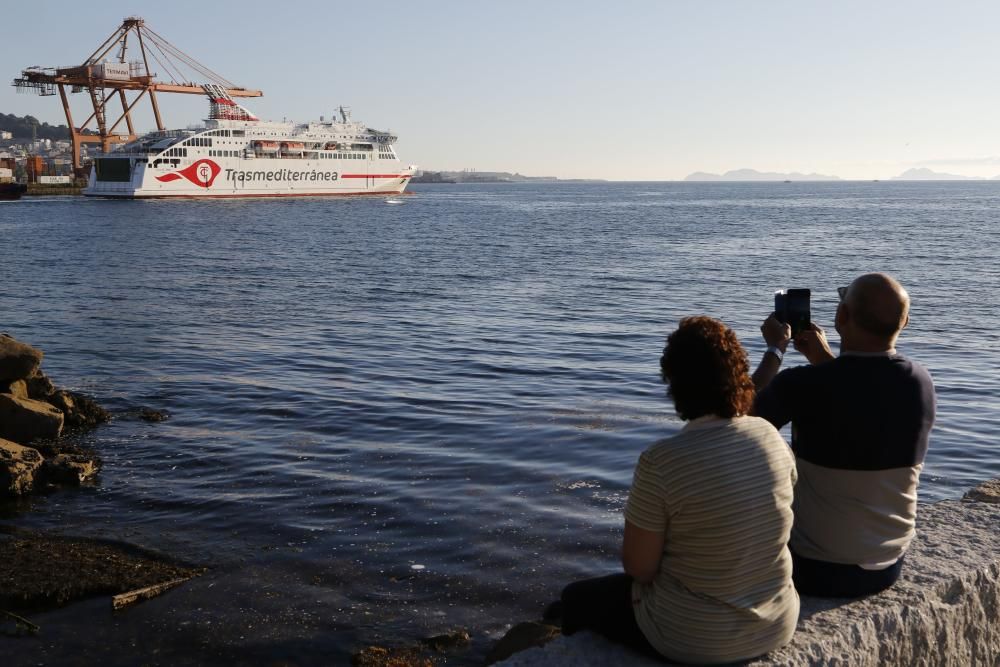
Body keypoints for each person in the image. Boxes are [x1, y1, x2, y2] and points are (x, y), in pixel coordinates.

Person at [552, 316, 799, 664]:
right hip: (778, 622)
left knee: (575, 598)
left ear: (673, 383)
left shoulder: (661, 461)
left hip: (693, 639)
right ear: (739, 373)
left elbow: (640, 569)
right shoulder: (771, 437)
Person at [752, 273, 935, 598]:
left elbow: (734, 421)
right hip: (888, 565)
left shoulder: (803, 385)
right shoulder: (920, 383)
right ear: (904, 322)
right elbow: (860, 396)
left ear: (841, 317)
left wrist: (775, 351)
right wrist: (824, 360)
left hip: (813, 568)